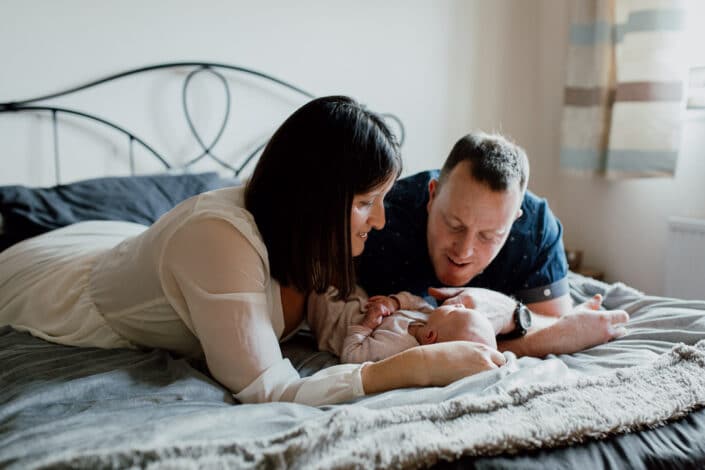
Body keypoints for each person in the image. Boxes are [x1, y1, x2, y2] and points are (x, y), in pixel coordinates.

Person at [0, 96, 506, 407]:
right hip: (59, 284)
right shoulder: (218, 239)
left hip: (123, 246)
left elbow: (358, 319)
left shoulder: (309, 239)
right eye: (365, 203)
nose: (379, 220)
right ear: (316, 199)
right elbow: (271, 390)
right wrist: (418, 368)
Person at [356, 131, 629, 355]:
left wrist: (513, 314)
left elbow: (558, 321)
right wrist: (545, 336)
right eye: (454, 225)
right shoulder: (381, 218)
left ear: (515, 221)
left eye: (489, 235)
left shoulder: (536, 227)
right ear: (432, 194)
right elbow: (562, 332)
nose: (463, 250)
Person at [307, 288, 497, 363]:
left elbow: (351, 356)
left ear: (431, 337)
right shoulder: (429, 317)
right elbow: (413, 300)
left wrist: (366, 325)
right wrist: (395, 302)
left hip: (334, 322)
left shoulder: (397, 349)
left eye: (457, 311)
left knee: (316, 288)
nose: (460, 304)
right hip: (359, 299)